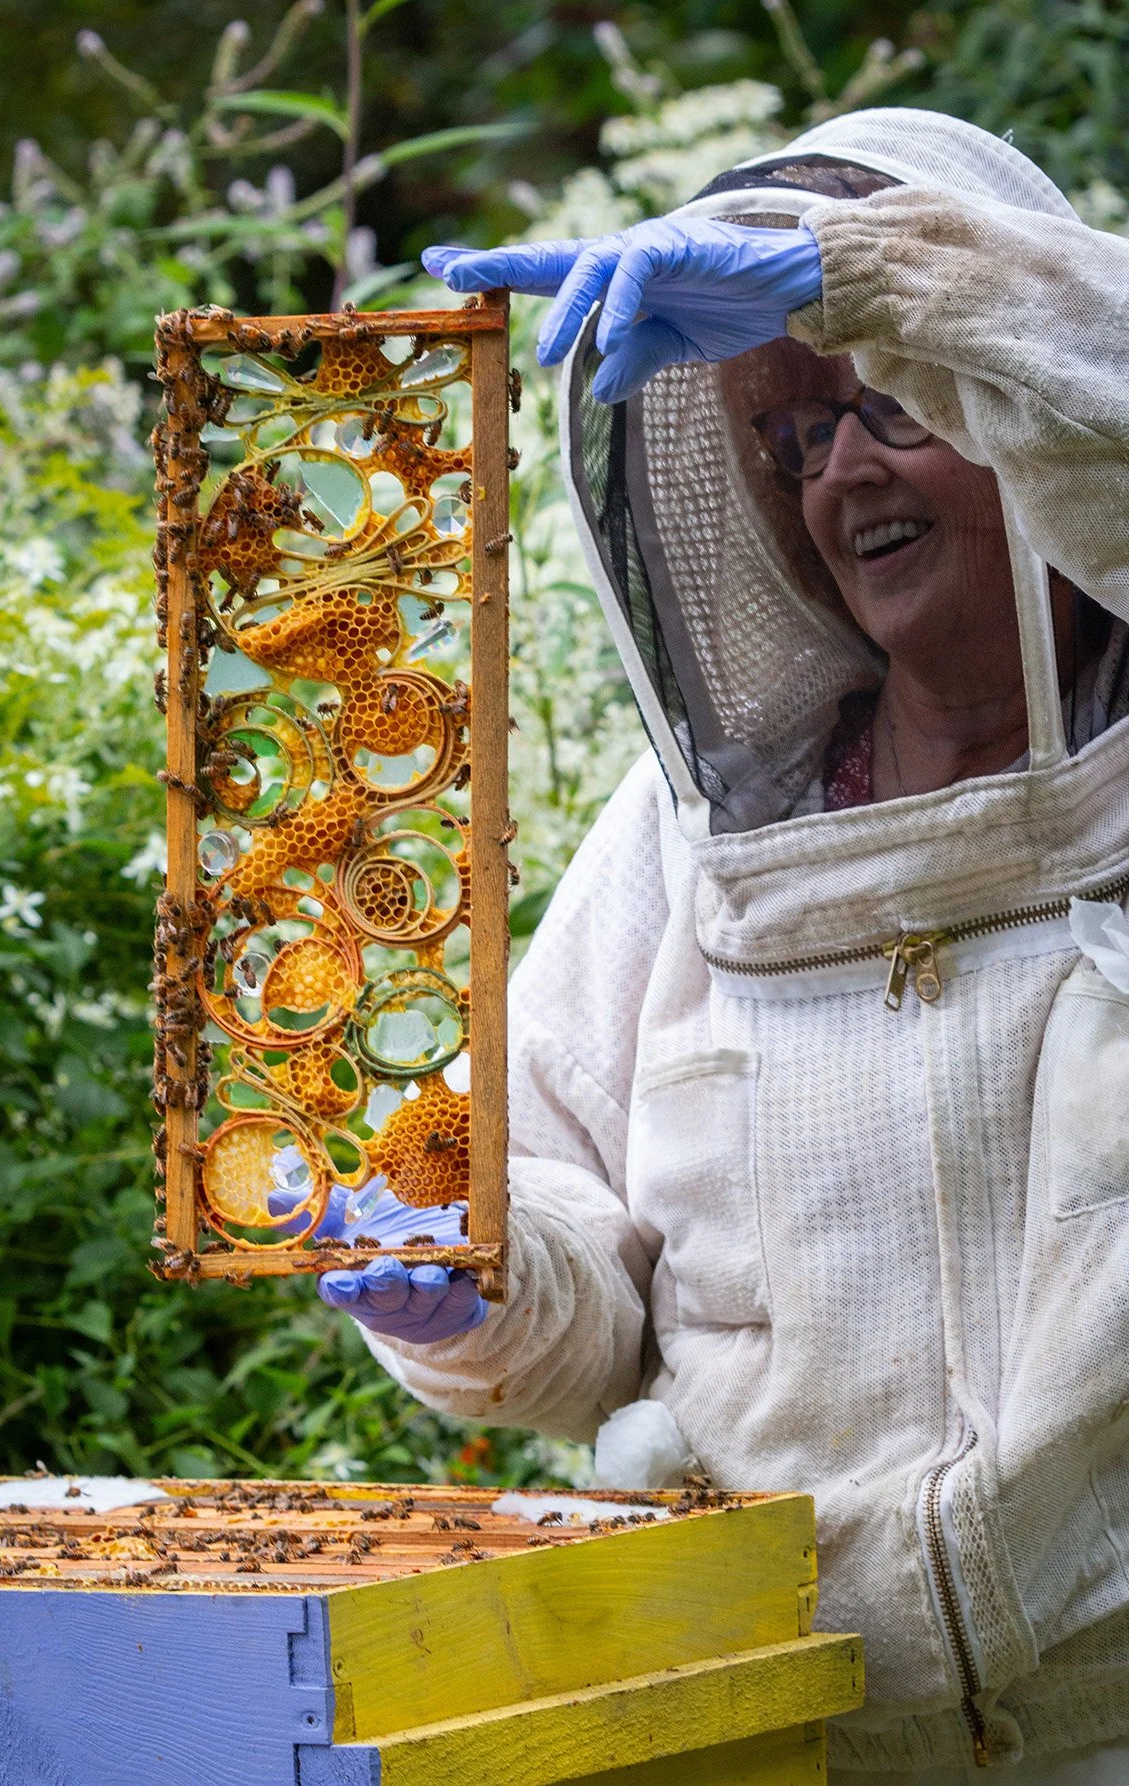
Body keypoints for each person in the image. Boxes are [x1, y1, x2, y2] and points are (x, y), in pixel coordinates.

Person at [305, 110, 1129, 1779]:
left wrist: (880, 276)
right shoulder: (693, 839)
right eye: (799, 434)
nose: (840, 469)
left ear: (1017, 420)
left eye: (892, 402)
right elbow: (574, 1258)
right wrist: (464, 1263)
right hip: (771, 1731)